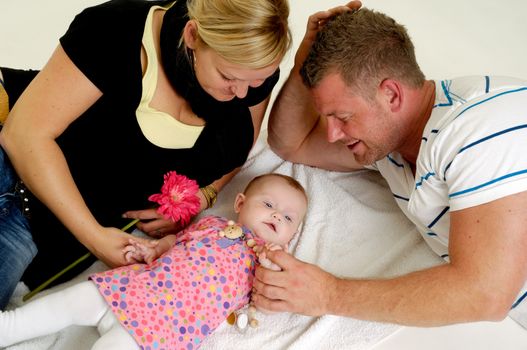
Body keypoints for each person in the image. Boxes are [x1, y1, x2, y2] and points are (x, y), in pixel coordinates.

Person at [0, 0, 291, 308]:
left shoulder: (249, 72)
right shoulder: (113, 30)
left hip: (35, 228)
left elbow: (237, 151)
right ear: (192, 35)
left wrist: (204, 194)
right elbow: (24, 134)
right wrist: (95, 237)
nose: (243, 93)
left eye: (257, 81)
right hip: (10, 160)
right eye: (228, 77)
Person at [253, 4, 527, 327]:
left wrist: (328, 294)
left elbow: (485, 294)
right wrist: (303, 66)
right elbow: (291, 143)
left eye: (342, 117)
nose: (332, 134)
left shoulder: (480, 128)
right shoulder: (391, 143)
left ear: (391, 96)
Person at [0, 173, 308, 349]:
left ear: (291, 236)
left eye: (287, 217)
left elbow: (271, 294)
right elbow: (176, 242)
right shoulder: (211, 223)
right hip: (134, 287)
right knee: (68, 302)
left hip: (162, 328)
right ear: (240, 203)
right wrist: (153, 249)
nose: (276, 215)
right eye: (268, 204)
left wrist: (271, 262)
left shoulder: (270, 259)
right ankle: (10, 327)